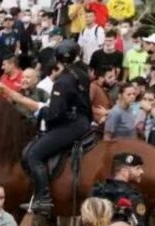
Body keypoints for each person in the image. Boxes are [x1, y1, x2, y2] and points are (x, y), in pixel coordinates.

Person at [23, 40, 93, 212]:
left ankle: (44, 198)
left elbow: (55, 114)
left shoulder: (62, 81)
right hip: (84, 121)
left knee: (34, 154)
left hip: (70, 125)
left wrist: (41, 111)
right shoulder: (82, 73)